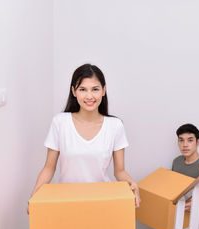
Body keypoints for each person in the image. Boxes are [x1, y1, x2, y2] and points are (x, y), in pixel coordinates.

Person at [28, 63, 140, 211]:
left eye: (95, 89)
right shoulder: (60, 122)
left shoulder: (115, 126)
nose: (89, 96)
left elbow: (119, 171)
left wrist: (132, 185)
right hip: (67, 202)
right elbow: (49, 167)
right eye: (82, 89)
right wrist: (35, 195)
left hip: (102, 203)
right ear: (74, 91)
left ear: (103, 90)